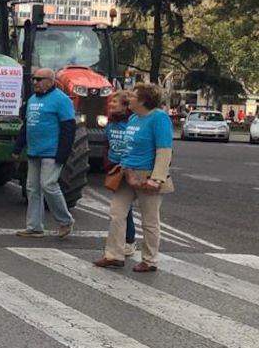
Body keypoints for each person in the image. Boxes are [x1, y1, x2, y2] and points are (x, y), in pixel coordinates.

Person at [96, 82, 174, 272]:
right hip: (127, 172)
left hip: (147, 174)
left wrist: (157, 178)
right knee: (116, 213)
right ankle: (114, 254)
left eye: (132, 96)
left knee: (149, 220)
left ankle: (149, 259)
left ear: (143, 101)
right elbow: (128, 147)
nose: (128, 98)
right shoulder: (133, 119)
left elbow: (164, 150)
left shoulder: (159, 119)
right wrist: (123, 168)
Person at [13, 67, 77, 238]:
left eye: (39, 79)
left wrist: (62, 154)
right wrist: (18, 148)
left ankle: (65, 221)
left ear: (51, 81)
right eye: (34, 79)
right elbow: (27, 126)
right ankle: (34, 226)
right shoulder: (32, 100)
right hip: (34, 151)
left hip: (52, 151)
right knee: (32, 188)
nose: (35, 82)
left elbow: (69, 129)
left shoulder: (62, 100)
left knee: (48, 185)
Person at [103, 90, 137, 257]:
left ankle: (130, 240)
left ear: (125, 106)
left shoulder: (132, 123)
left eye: (115, 102)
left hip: (130, 167)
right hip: (115, 168)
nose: (111, 105)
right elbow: (106, 145)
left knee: (126, 208)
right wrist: (108, 164)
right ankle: (126, 241)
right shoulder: (110, 123)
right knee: (122, 208)